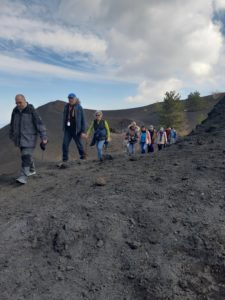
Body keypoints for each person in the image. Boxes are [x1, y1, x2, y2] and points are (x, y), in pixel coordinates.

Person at [9, 94, 48, 184]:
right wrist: (11, 134)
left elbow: (40, 125)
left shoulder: (31, 111)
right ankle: (32, 169)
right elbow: (12, 123)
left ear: (24, 100)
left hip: (30, 138)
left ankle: (23, 176)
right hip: (19, 139)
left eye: (20, 102)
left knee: (25, 156)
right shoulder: (15, 110)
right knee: (26, 155)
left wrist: (44, 138)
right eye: (16, 103)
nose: (18, 104)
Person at [61, 93, 86, 165]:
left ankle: (83, 156)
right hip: (68, 129)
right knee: (65, 144)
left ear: (75, 99)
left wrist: (83, 131)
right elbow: (65, 117)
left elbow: (83, 119)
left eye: (72, 98)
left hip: (76, 129)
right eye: (69, 98)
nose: (70, 100)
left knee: (79, 144)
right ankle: (65, 159)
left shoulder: (79, 107)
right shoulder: (66, 106)